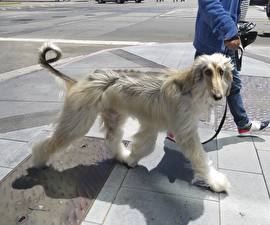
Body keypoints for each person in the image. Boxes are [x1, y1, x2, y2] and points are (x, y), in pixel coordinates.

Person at [167, 0, 269, 141]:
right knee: (198, 90)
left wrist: (236, 28)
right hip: (212, 43)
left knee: (233, 85)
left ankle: (243, 124)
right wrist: (230, 30)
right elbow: (208, 3)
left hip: (227, 42)